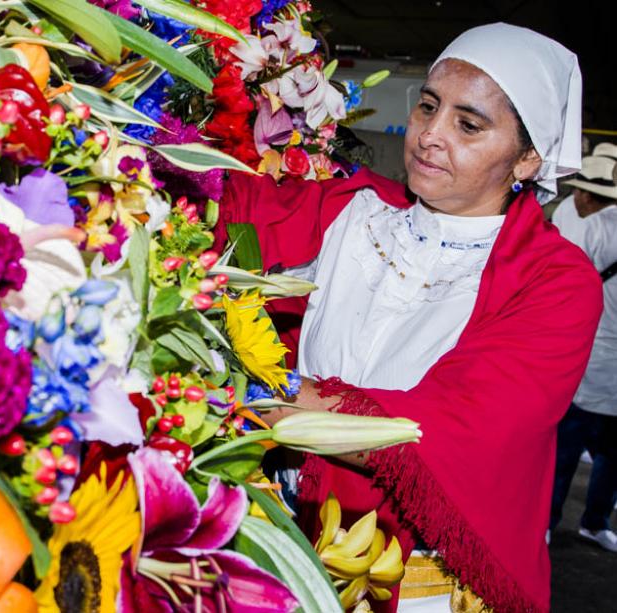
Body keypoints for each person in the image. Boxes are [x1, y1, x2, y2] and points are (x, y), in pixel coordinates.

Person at [216, 23, 601, 613]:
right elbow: (219, 204)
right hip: (284, 517)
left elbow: (457, 424)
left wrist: (256, 395)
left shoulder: (555, 279)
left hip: (413, 565)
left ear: (527, 158)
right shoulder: (353, 208)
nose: (429, 135)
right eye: (427, 106)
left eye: (468, 125)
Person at [548, 149, 617, 552]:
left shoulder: (585, 225)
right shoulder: (573, 218)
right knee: (589, 452)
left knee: (569, 449)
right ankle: (591, 520)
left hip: (592, 355)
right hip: (592, 357)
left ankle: (561, 521)